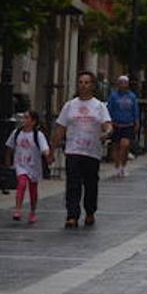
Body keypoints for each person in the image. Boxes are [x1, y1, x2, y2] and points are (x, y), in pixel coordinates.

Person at [52, 71, 113, 228]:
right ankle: (72, 215)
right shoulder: (70, 106)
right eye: (80, 82)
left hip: (92, 152)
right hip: (73, 150)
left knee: (90, 184)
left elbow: (107, 124)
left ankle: (90, 211)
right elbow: (60, 128)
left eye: (86, 82)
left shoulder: (99, 106)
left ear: (92, 85)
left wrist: (106, 133)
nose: (83, 85)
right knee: (73, 183)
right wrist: (52, 149)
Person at [5, 110, 52, 224]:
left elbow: (44, 148)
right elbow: (9, 147)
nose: (24, 120)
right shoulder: (17, 133)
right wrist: (8, 160)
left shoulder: (38, 135)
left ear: (33, 121)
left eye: (27, 118)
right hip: (20, 164)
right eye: (24, 117)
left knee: (33, 189)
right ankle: (17, 209)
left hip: (33, 166)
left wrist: (48, 156)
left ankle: (32, 212)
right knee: (21, 184)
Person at [106, 75, 140, 178]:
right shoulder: (113, 96)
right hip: (116, 124)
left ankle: (123, 165)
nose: (123, 85)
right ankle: (117, 167)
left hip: (128, 124)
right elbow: (109, 109)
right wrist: (108, 122)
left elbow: (135, 110)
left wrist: (136, 122)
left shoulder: (132, 96)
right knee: (116, 146)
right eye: (121, 82)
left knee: (125, 145)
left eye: (125, 83)